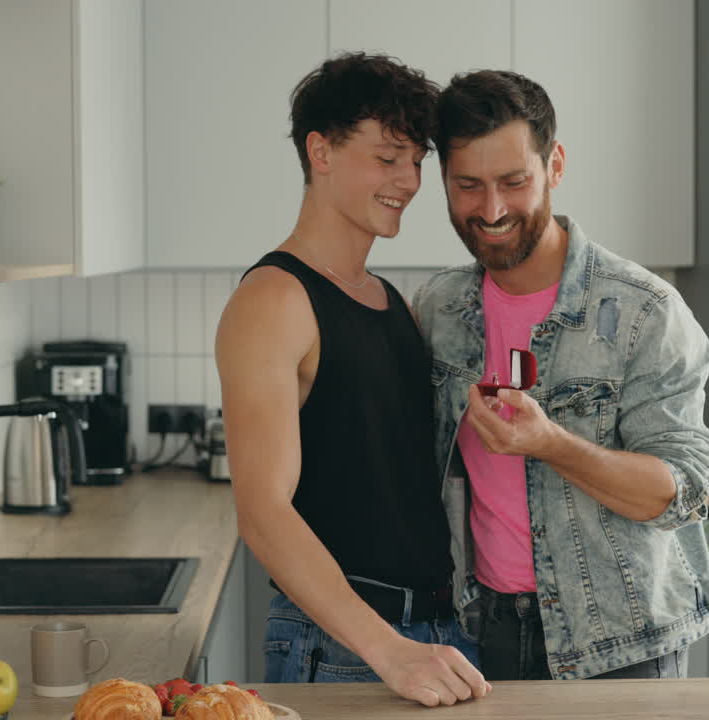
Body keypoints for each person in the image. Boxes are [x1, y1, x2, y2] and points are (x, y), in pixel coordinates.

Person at [413, 69, 709, 681]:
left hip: (623, 645)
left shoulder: (644, 312)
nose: (491, 209)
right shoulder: (438, 310)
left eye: (514, 182)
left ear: (554, 165)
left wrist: (550, 444)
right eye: (468, 185)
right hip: (482, 632)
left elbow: (680, 492)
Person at [214, 52, 489, 707]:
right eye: (387, 157)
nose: (409, 181)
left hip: (433, 633)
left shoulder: (388, 300)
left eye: (416, 161)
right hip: (344, 648)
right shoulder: (273, 299)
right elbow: (261, 512)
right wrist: (387, 649)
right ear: (321, 151)